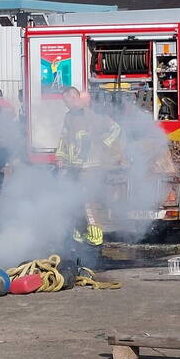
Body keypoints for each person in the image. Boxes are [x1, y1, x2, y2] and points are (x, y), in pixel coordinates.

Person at [55, 87, 121, 247]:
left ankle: (95, 236)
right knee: (74, 200)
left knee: (87, 201)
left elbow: (115, 129)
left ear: (74, 97)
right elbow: (64, 138)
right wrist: (60, 156)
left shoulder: (92, 116)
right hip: (74, 167)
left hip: (90, 167)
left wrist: (104, 145)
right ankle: (79, 234)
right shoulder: (68, 117)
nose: (66, 104)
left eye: (66, 101)